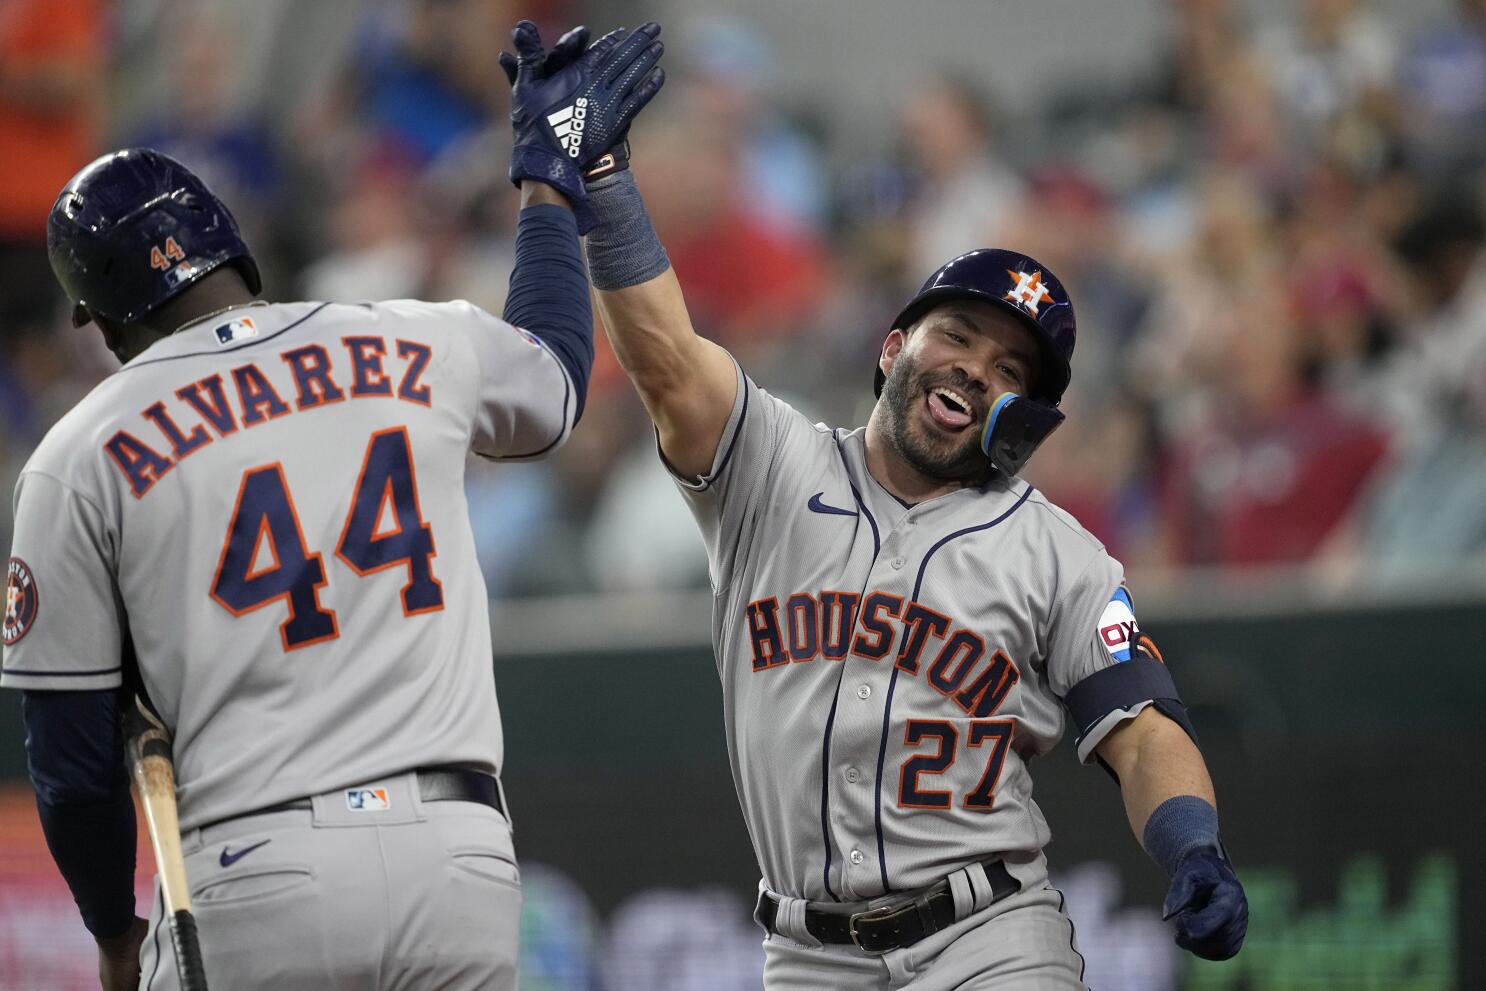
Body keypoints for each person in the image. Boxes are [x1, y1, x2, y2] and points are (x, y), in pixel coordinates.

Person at [0, 20, 662, 990]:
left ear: (95, 316)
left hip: (256, 868)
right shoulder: (411, 339)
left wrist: (111, 929)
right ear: (236, 248)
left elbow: (69, 757)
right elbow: (559, 376)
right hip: (460, 857)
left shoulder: (81, 448)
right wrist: (546, 191)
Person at [578, 84, 1248, 989]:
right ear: (894, 347)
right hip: (808, 952)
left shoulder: (1059, 553)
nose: (976, 368)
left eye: (1010, 367)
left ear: (1031, 414)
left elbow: (1142, 729)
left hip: (989, 936)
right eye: (959, 336)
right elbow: (665, 360)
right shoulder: (775, 465)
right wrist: (605, 179)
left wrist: (1193, 845)